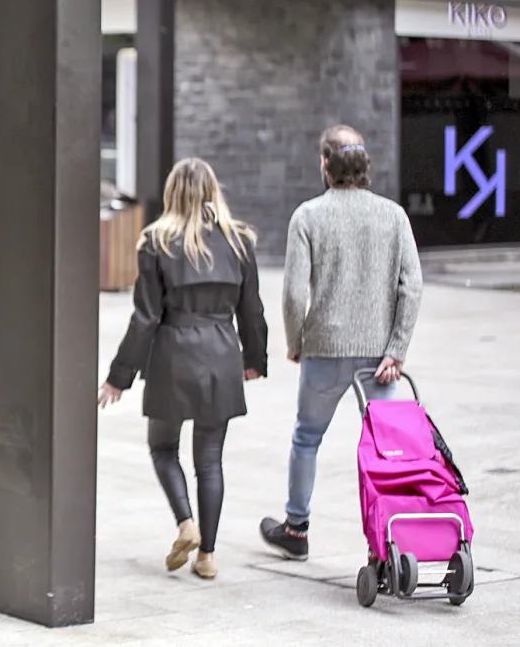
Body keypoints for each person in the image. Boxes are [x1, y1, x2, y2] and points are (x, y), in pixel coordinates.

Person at [97, 157, 268, 580]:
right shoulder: (240, 240)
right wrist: (253, 360)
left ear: (172, 193)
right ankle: (206, 556)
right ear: (213, 192)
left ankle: (185, 524)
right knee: (210, 461)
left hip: (172, 355)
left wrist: (119, 378)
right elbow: (252, 310)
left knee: (162, 448)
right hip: (222, 354)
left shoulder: (156, 243)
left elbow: (145, 318)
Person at [260, 124, 423, 561]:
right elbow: (413, 285)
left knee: (307, 437)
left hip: (325, 348)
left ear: (325, 164)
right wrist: (397, 348)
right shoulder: (393, 215)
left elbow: (295, 293)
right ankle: (388, 541)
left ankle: (296, 530)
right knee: (387, 447)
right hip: (378, 357)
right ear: (364, 166)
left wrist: (297, 340)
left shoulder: (308, 216)